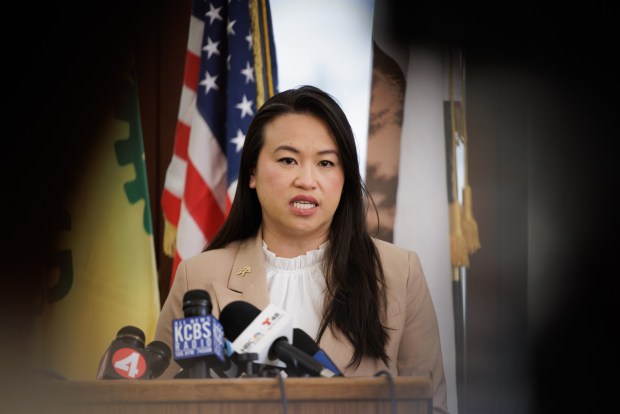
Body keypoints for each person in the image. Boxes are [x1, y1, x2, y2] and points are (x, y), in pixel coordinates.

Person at [155, 85, 449, 413]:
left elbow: (429, 404)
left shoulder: (398, 272)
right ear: (252, 172)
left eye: (325, 163)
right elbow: (161, 401)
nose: (307, 180)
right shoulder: (198, 276)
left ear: (345, 177)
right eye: (288, 160)